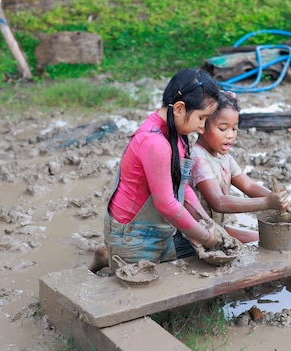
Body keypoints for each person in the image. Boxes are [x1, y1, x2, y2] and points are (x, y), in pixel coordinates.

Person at [89, 68, 222, 273]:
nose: (202, 127)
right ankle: (114, 255)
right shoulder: (155, 142)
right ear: (179, 108)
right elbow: (167, 204)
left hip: (157, 228)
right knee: (145, 290)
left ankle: (108, 255)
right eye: (202, 118)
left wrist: (205, 220)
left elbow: (182, 185)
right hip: (133, 235)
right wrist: (205, 237)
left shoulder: (175, 132)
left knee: (193, 251)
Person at [189, 91, 290, 243]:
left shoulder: (224, 157)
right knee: (266, 243)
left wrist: (281, 201)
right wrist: (267, 202)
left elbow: (248, 185)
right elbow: (219, 202)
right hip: (198, 234)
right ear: (201, 126)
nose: (230, 135)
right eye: (223, 128)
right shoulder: (198, 157)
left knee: (267, 240)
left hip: (218, 227)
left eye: (234, 128)